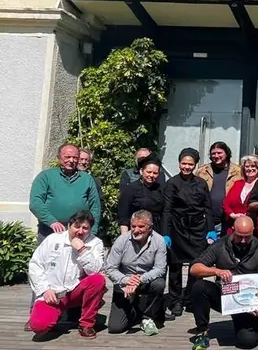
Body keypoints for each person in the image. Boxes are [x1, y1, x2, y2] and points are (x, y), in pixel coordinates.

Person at [188, 216, 258, 350]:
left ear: (253, 232)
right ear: (232, 230)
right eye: (239, 236)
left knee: (248, 342)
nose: (243, 241)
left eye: (247, 237)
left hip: (247, 304)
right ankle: (202, 332)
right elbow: (194, 268)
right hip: (224, 296)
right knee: (199, 287)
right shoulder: (220, 245)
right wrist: (216, 271)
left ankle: (254, 326)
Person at [27, 210, 106, 339]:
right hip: (51, 294)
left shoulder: (95, 243)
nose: (80, 231)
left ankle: (86, 324)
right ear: (69, 225)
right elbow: (35, 265)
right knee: (39, 326)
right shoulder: (53, 239)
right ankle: (54, 315)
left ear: (90, 229)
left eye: (85, 228)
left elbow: (94, 271)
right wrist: (45, 289)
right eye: (77, 226)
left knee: (98, 280)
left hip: (75, 291)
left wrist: (82, 250)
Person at [163, 147, 217, 318]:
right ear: (179, 163)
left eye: (190, 164)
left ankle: (190, 298)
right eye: (183, 163)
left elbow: (208, 208)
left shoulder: (201, 183)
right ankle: (176, 300)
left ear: (195, 165)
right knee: (175, 266)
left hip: (197, 228)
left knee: (197, 264)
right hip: (177, 227)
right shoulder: (172, 183)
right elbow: (167, 210)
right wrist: (166, 233)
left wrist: (211, 230)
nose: (186, 167)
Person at [105, 210, 167, 335]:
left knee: (159, 284)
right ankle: (135, 310)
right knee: (115, 328)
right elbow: (110, 268)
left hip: (146, 280)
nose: (136, 230)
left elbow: (160, 269)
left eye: (141, 226)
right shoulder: (121, 240)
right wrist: (127, 280)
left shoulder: (159, 241)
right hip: (124, 283)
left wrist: (140, 279)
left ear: (150, 228)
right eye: (133, 226)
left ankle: (147, 317)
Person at [29, 143, 101, 240]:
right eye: (67, 157)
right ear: (59, 158)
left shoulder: (87, 179)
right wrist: (51, 221)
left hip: (79, 233)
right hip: (50, 231)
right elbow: (36, 203)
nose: (71, 160)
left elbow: (95, 207)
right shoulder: (46, 177)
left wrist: (92, 231)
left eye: (75, 157)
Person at [197, 141, 242, 236]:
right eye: (213, 153)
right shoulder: (202, 171)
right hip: (207, 220)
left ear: (227, 153)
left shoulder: (238, 171)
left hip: (229, 220)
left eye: (219, 153)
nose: (216, 156)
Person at [118, 154, 165, 235]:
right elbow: (124, 216)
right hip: (136, 232)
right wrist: (124, 237)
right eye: (148, 172)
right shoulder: (130, 189)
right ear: (141, 171)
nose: (151, 175)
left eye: (155, 173)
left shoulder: (161, 189)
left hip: (156, 232)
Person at [223, 155, 258, 235]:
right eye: (247, 166)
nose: (250, 169)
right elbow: (226, 203)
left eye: (253, 166)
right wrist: (232, 215)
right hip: (234, 228)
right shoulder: (237, 184)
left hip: (254, 229)